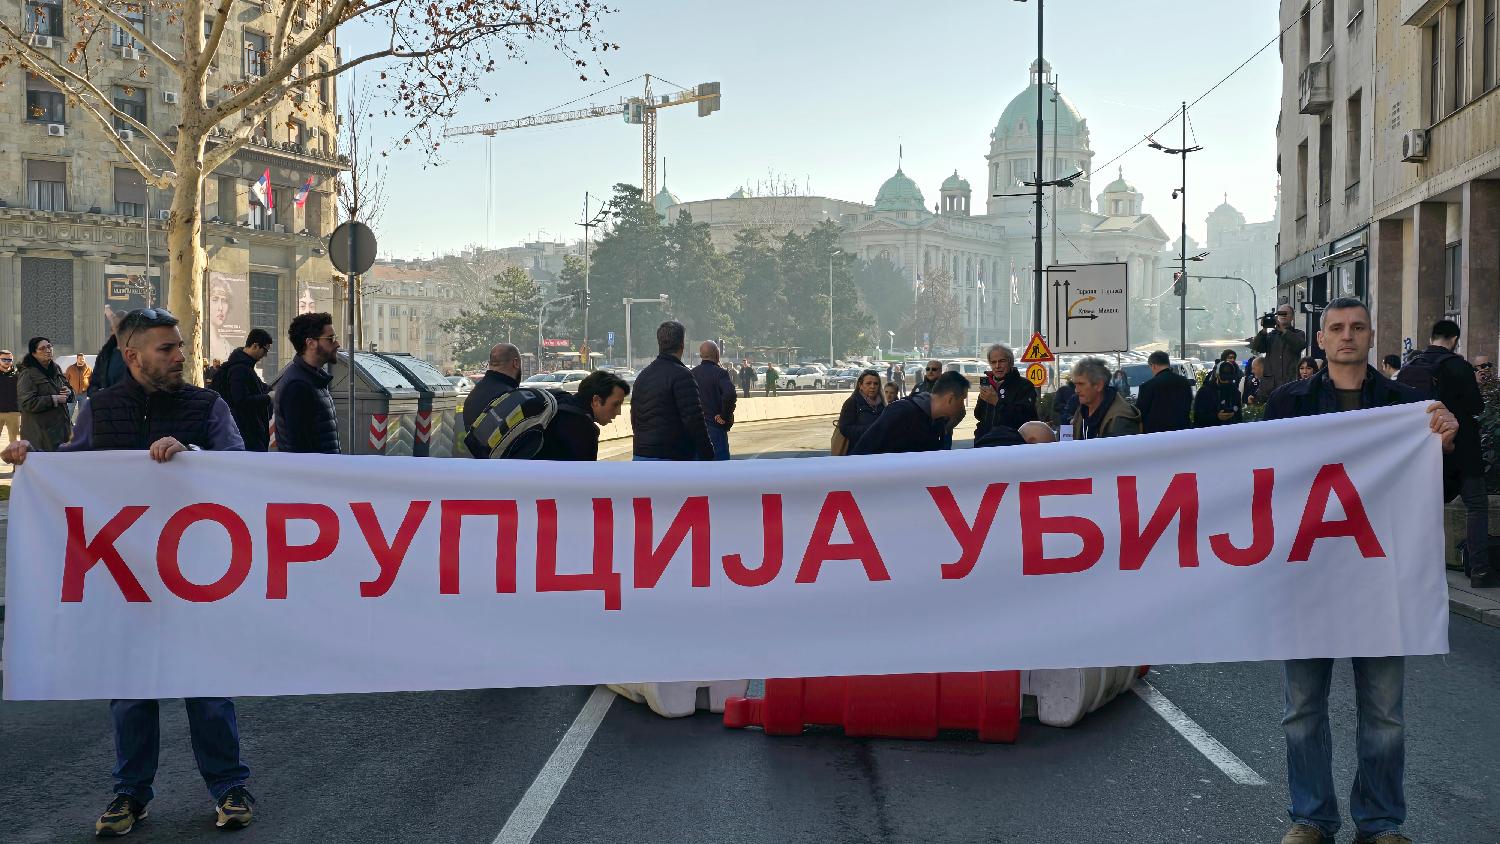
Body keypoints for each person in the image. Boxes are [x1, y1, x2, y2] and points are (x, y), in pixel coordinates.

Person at [2, 307, 257, 836]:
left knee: (207, 688)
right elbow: (72, 469)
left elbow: (240, 468)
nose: (181, 355)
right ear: (134, 355)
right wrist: (33, 460)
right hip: (127, 582)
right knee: (131, 690)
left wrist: (194, 455)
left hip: (196, 579)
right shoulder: (101, 408)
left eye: (181, 345)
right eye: (168, 348)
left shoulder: (207, 405)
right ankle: (130, 794)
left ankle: (229, 786)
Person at [1263, 298, 1458, 844]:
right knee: (1301, 710)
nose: (1347, 336)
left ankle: (1380, 824)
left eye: (1357, 327)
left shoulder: (1408, 406)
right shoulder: (1288, 403)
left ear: (1373, 336)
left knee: (1384, 713)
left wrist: (1443, 444)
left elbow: (1434, 491)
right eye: (1336, 328)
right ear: (1320, 340)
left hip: (1381, 580)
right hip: (1307, 579)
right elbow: (1258, 485)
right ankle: (1311, 819)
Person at [1397, 320, 1495, 587]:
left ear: (1432, 337)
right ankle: (1479, 570)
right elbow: (1475, 405)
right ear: (1454, 339)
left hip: (1426, 449)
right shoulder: (1458, 366)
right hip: (1463, 449)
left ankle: (1417, 567)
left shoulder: (1410, 368)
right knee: (1476, 505)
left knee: (1427, 507)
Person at [631, 321, 713, 462]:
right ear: (682, 345)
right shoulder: (682, 376)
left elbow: (635, 416)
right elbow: (694, 419)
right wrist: (708, 453)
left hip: (641, 454)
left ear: (660, 344)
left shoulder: (642, 376)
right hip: (673, 457)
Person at [851, 370, 968, 455]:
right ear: (951, 399)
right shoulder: (901, 411)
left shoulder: (937, 421)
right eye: (962, 399)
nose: (963, 406)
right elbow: (864, 449)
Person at [275, 311, 340, 454]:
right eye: (331, 338)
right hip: (313, 475)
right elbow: (301, 451)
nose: (337, 343)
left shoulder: (315, 380)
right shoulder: (298, 386)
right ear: (311, 343)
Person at [530, 370, 630, 461]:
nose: (618, 412)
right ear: (596, 401)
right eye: (615, 405)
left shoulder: (559, 401)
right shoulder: (584, 430)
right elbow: (583, 477)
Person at [211, 329, 274, 452]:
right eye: (265, 350)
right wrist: (268, 398)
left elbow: (258, 387)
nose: (265, 355)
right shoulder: (240, 369)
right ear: (255, 346)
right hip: (246, 432)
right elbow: (241, 401)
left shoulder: (244, 366)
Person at [462, 343, 524, 457]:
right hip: (506, 467)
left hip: (483, 464)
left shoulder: (474, 394)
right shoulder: (510, 396)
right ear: (515, 363)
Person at [16, 336, 73, 451]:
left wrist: (69, 392)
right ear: (34, 353)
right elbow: (27, 402)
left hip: (61, 431)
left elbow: (68, 388)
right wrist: (54, 399)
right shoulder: (28, 373)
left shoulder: (56, 368)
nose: (48, 350)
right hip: (40, 434)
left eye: (49, 346)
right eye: (42, 348)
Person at [974, 343, 1037, 439]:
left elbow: (1024, 418)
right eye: (993, 362)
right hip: (985, 442)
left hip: (1012, 443)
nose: (997, 366)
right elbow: (978, 414)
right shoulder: (988, 384)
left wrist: (997, 402)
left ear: (1011, 362)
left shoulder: (1024, 385)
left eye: (1002, 361)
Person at [1069, 356, 1141, 440]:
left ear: (1099, 385)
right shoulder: (1082, 410)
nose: (1076, 390)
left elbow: (1121, 452)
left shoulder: (1120, 418)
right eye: (1075, 385)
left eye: (1081, 384)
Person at [691, 341, 737, 461]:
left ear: (701, 356)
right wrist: (724, 415)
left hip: (695, 430)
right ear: (717, 354)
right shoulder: (720, 373)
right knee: (720, 471)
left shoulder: (692, 374)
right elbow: (730, 394)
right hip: (715, 427)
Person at [1251, 303, 1308, 396]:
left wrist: (1282, 330)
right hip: (1271, 385)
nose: (1283, 316)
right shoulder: (1271, 336)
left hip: (1290, 382)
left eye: (1286, 314)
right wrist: (1264, 329)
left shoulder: (1298, 333)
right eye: (1281, 314)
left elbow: (1299, 345)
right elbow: (1258, 348)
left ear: (1292, 317)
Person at [1135, 350, 1193, 433]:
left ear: (1153, 366)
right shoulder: (1184, 382)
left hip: (1156, 435)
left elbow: (1141, 413)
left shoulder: (1148, 386)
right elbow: (1189, 404)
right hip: (1182, 432)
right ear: (1168, 364)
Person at [837, 369, 885, 453]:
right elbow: (845, 428)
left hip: (879, 451)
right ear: (860, 385)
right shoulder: (852, 402)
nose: (872, 386)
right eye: (868, 383)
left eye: (876, 384)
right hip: (859, 451)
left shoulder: (883, 404)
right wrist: (870, 429)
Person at [1192, 360, 1244, 427]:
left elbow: (1239, 415)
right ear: (1217, 375)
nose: (1227, 381)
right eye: (1224, 378)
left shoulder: (1235, 391)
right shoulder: (1205, 391)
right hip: (1210, 431)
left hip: (1230, 430)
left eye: (1229, 378)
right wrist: (1217, 417)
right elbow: (1198, 417)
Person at [89, 310, 128, 395]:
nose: (120, 330)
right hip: (109, 405)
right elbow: (93, 384)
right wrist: (99, 395)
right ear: (113, 328)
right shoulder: (105, 354)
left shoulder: (139, 352)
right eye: (117, 327)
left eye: (124, 326)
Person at [0, 349, 19, 447]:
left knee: (14, 440)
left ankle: (15, 461)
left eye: (9, 360)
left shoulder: (17, 374)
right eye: (4, 359)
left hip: (13, 412)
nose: (7, 362)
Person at [65, 353, 92, 420]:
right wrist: (68, 390)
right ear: (77, 359)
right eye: (80, 359)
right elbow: (65, 380)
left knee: (82, 412)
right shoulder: (70, 368)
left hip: (83, 393)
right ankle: (67, 425)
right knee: (69, 410)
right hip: (73, 393)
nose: (82, 360)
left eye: (83, 359)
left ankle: (80, 426)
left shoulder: (89, 369)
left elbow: (91, 380)